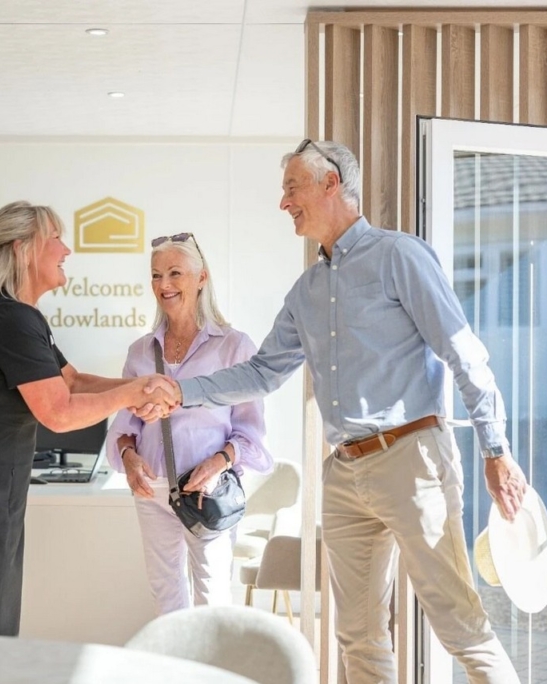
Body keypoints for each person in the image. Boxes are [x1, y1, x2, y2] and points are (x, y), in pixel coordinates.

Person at [145, 141, 527, 683]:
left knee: (458, 624)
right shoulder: (307, 290)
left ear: (331, 183)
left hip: (411, 459)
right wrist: (181, 392)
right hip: (345, 472)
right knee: (358, 638)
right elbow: (262, 373)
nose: (283, 202)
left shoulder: (399, 256)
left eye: (292, 188)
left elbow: (463, 352)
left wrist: (496, 449)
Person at [0, 200, 176, 636]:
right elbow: (59, 413)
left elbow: (73, 382)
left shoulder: (19, 318)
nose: (67, 250)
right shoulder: (10, 320)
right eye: (56, 239)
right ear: (23, 249)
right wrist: (136, 393)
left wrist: (141, 386)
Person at [107, 232, 272, 615]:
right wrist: (129, 458)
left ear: (201, 278)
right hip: (152, 491)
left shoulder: (234, 346)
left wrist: (218, 463)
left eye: (175, 273)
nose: (163, 284)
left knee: (212, 599)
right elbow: (126, 425)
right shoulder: (141, 351)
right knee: (166, 596)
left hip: (207, 491)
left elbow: (250, 431)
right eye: (156, 275)